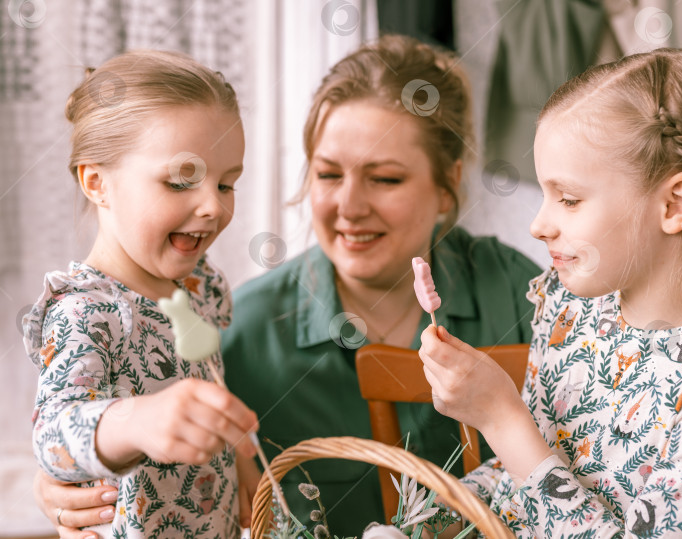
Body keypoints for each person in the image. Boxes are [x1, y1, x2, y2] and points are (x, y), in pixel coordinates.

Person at [33, 35, 541, 537]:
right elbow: (85, 417)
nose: (350, 206)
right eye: (326, 174)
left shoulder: (528, 300)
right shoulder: (249, 332)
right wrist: (75, 464)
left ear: (448, 183)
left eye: (385, 178)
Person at [419, 48, 682, 537]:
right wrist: (423, 528)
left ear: (675, 204)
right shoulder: (572, 313)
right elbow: (515, 484)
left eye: (569, 199)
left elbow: (523, 451)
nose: (539, 225)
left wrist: (502, 420)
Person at [23, 50, 259, 538]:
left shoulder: (200, 288)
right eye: (181, 181)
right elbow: (52, 436)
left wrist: (243, 464)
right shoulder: (85, 310)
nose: (213, 206)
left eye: (227, 183)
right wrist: (135, 420)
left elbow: (211, 391)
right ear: (97, 183)